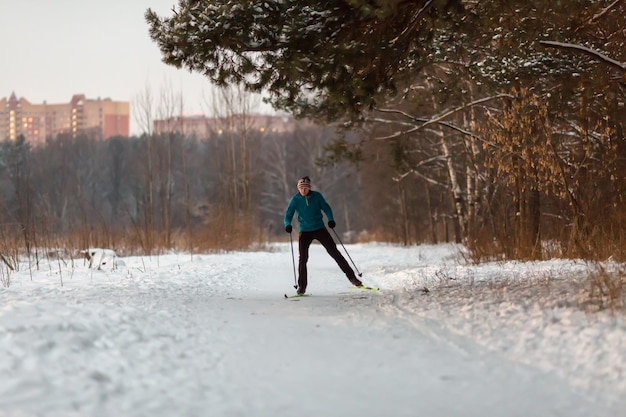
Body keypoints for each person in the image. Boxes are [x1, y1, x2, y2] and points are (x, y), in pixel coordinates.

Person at [284, 176, 363, 294]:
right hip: (305, 231)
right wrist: (287, 224)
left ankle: (353, 278)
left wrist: (330, 219)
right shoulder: (295, 199)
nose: (303, 190)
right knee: (303, 259)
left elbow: (327, 208)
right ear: (298, 189)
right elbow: (288, 215)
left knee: (335, 253)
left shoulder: (317, 196)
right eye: (301, 188)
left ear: (309, 188)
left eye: (305, 188)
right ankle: (302, 287)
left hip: (319, 229)